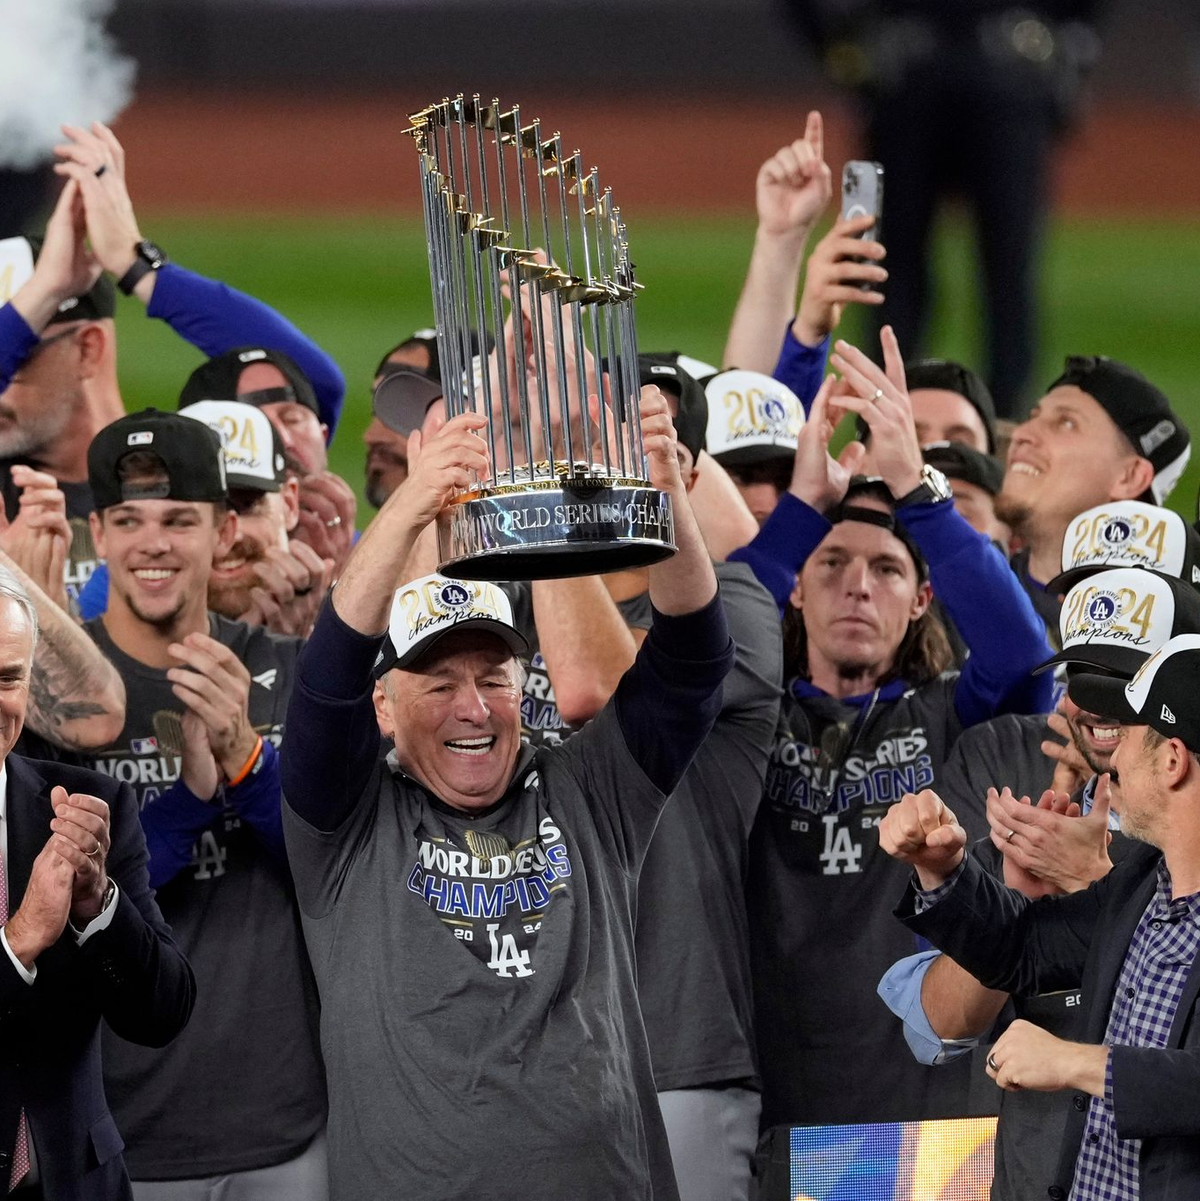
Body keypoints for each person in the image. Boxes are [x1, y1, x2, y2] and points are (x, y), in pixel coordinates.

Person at [280, 387, 733, 1199]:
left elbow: (694, 661)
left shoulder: (591, 789)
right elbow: (327, 678)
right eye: (438, 681)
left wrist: (668, 503)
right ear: (383, 706)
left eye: (493, 676)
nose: (472, 705)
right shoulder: (345, 818)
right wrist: (413, 507)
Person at [728, 329, 1053, 1131]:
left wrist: (918, 486)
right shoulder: (746, 712)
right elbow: (714, 641)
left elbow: (1023, 658)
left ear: (919, 600)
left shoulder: (947, 710)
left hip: (923, 1096)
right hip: (774, 1078)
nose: (856, 588)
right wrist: (799, 514)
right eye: (830, 564)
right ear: (795, 591)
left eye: (886, 569)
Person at [880, 561, 1200, 1199]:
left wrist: (1084, 1064)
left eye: (1126, 723)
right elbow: (1024, 949)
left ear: (1171, 758)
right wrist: (944, 868)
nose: (1103, 744)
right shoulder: (1145, 883)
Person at [82, 410, 326, 1198]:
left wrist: (246, 760)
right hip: (124, 1137)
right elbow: (73, 897)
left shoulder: (293, 669)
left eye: (180, 519)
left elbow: (337, 872)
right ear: (98, 533)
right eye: (129, 520)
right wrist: (190, 798)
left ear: (223, 529)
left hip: (283, 1129)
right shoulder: (60, 697)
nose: (153, 543)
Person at [1, 123, 345, 601]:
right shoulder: (7, 495)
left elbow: (311, 385)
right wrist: (42, 294)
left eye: (18, 351)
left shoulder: (194, 464)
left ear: (88, 349)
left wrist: (135, 265)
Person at [782, 1, 1106, 417]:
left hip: (940, 83)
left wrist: (841, 49)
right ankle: (892, 427)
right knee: (906, 274)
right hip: (935, 83)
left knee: (931, 276)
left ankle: (988, 433)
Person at [0, 564, 194, 1198]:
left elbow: (162, 1013)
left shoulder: (87, 801)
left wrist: (99, 911)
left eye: (8, 678)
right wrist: (21, 940)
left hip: (79, 1183)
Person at [998, 356, 1190, 632]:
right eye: (1033, 416)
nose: (1022, 433)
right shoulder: (959, 587)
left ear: (1129, 477)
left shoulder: (1168, 635)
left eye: (1066, 423)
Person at [177, 347, 356, 577]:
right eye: (254, 424)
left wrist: (341, 580)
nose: (282, 439)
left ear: (323, 437)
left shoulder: (381, 559)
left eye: (293, 419)